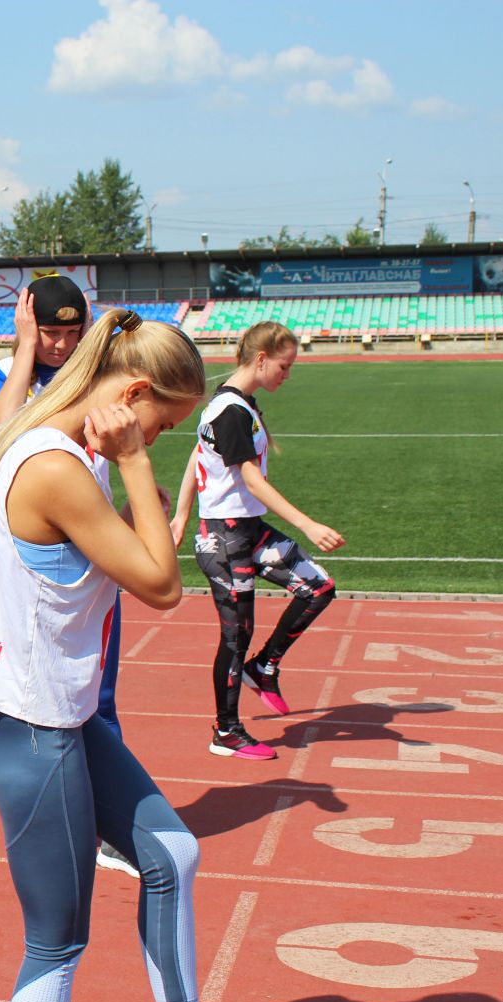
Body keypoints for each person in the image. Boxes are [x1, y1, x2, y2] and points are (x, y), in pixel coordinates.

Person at [0, 309, 223, 1002]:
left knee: (173, 854)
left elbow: (142, 548)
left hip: (64, 713)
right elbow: (161, 583)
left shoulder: (75, 451)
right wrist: (137, 461)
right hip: (26, 721)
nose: (161, 437)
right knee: (57, 937)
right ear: (133, 394)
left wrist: (131, 460)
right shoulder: (55, 468)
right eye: (164, 422)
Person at [0, 275, 134, 878]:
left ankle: (107, 826)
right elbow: (6, 421)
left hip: (92, 558)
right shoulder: (0, 371)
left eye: (74, 332)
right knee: (35, 701)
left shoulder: (93, 380)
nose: (62, 345)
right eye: (50, 331)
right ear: (26, 323)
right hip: (28, 567)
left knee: (100, 693)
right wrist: (23, 347)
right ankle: (57, 823)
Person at [170, 320, 342, 761]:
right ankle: (225, 731)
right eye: (284, 366)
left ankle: (263, 667)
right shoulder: (229, 410)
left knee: (318, 587)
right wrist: (308, 524)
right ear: (261, 359)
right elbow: (249, 478)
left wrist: (181, 514)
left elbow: (197, 455)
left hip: (248, 529)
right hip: (225, 539)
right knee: (236, 634)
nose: (287, 375)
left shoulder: (238, 403)